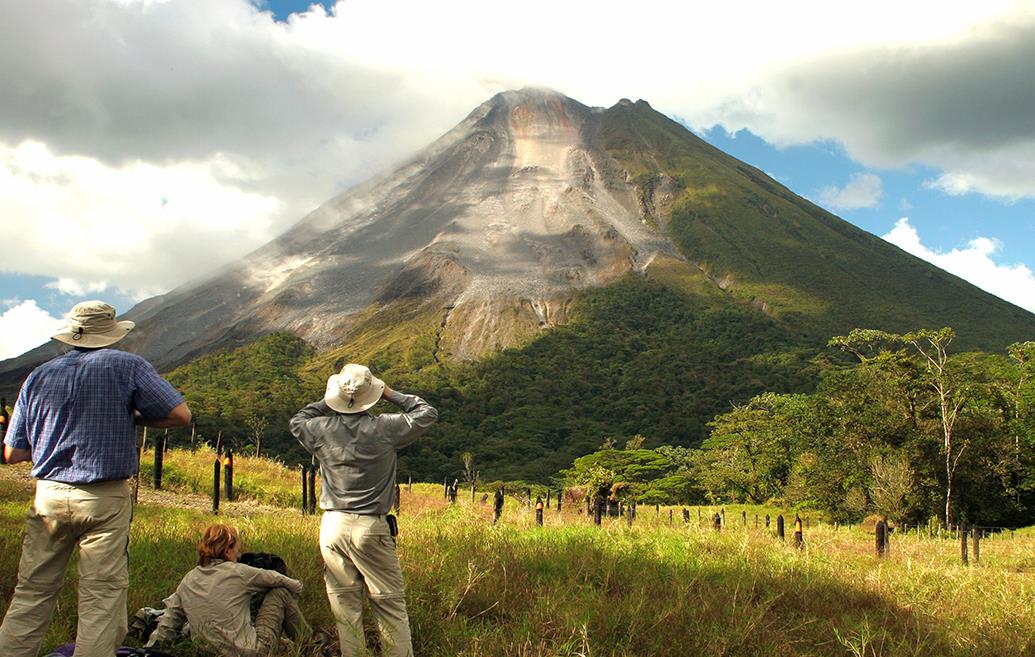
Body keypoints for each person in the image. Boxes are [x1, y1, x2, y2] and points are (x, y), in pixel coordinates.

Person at [0, 300, 191, 657]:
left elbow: (13, 454)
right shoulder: (127, 365)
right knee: (101, 596)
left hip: (48, 498)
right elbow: (179, 414)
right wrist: (130, 417)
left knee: (31, 592)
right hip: (103, 497)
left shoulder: (38, 376)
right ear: (111, 332)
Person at [290, 363, 438, 657]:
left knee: (345, 608)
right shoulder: (385, 427)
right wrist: (390, 393)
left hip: (332, 525)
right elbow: (427, 412)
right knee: (389, 604)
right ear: (373, 394)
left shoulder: (321, 430)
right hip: (371, 525)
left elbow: (298, 420)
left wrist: (331, 398)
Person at [145, 524, 311, 657]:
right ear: (227, 550)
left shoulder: (189, 579)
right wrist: (297, 591)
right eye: (237, 550)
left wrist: (150, 649)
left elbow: (169, 621)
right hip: (252, 652)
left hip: (207, 652)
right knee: (281, 592)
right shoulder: (239, 571)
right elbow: (279, 579)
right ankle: (311, 645)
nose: (238, 556)